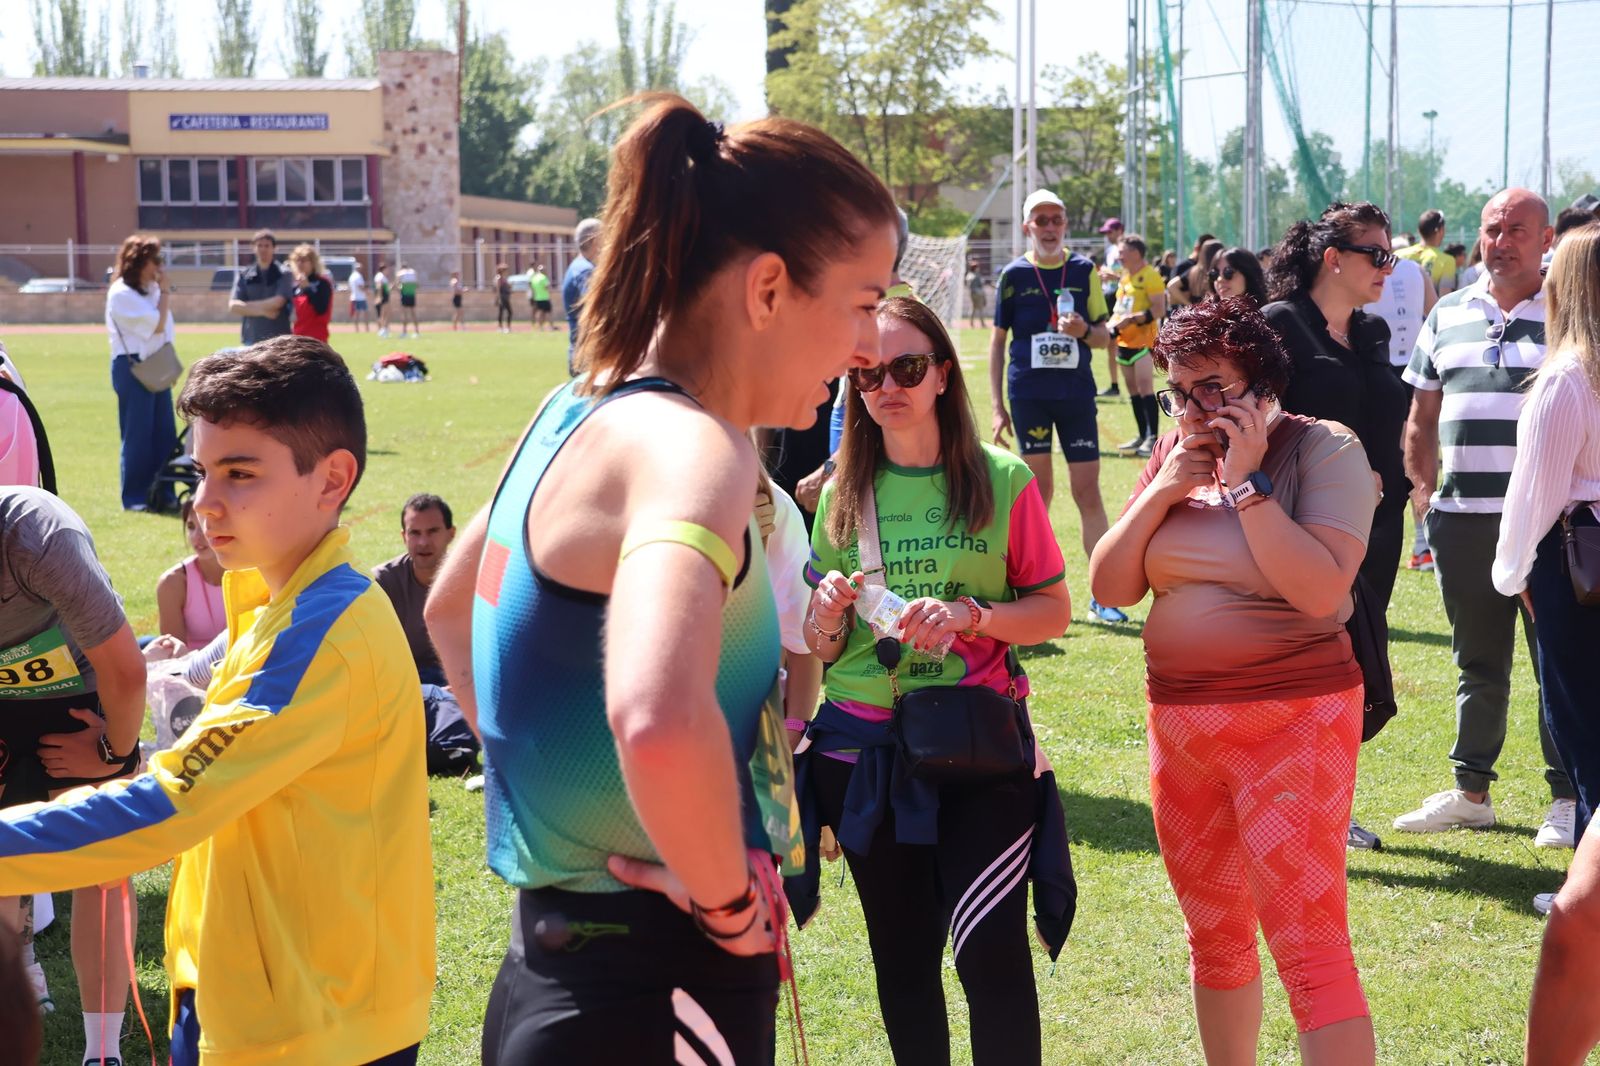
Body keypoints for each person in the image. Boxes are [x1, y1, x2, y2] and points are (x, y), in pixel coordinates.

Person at [421, 95, 897, 1062]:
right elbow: (654, 717)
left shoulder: (578, 403)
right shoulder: (697, 454)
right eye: (862, 301)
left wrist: (570, 817)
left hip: (556, 967)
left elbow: (448, 610)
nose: (867, 348)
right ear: (768, 289)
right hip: (654, 991)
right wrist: (724, 899)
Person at [0, 337, 435, 1065]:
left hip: (313, 1028)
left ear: (333, 480)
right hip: (245, 997)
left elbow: (172, 806)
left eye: (240, 473)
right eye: (201, 472)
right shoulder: (271, 600)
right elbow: (220, 771)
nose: (204, 503)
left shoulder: (319, 633)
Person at [1088, 298, 1379, 1066]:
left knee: (1308, 940)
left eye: (1212, 386)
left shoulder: (1323, 450)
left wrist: (1246, 487)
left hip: (1292, 722)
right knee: (1214, 933)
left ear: (1261, 380)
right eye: (1178, 392)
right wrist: (1159, 491)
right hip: (1182, 729)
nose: (1194, 408)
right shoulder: (1173, 453)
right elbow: (1111, 586)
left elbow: (1321, 593)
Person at [798, 295, 1073, 1065]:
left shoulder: (1003, 478)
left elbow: (1053, 608)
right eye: (869, 373)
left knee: (992, 959)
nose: (888, 385)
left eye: (908, 367)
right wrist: (824, 611)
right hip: (864, 759)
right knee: (904, 966)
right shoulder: (840, 490)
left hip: (978, 753)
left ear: (944, 375)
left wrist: (970, 616)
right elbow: (823, 650)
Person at [1395, 188, 1578, 848]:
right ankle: (1472, 792)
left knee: (1556, 661)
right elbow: (1421, 415)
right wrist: (1424, 496)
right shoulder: (1446, 314)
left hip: (1547, 528)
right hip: (1461, 520)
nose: (1501, 241)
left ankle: (1567, 798)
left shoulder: (1572, 316)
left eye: (1517, 230)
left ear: (1547, 236)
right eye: (1493, 229)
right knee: (1477, 661)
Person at [0, 487, 149, 1066]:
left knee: (101, 862)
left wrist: (115, 750)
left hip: (85, 693)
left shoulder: (40, 535)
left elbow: (126, 670)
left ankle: (102, 1052)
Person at [1493, 224, 1600, 908]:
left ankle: (1589, 893)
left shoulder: (1566, 380)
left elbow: (1533, 495)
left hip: (1577, 569)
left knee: (1582, 728)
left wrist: (1512, 575)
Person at [1265, 202, 1409, 615]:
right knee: (1315, 650)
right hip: (1307, 522)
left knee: (1367, 644)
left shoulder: (1373, 331)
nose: (1388, 268)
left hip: (1380, 524)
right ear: (1334, 259)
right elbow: (1259, 429)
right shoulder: (1279, 324)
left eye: (1391, 256)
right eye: (1377, 255)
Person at [990, 189, 1126, 623]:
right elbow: (998, 344)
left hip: (1075, 396)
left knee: (1087, 491)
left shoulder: (1084, 270)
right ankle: (1030, 595)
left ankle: (1103, 596)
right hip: (1028, 395)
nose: (1049, 227)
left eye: (1057, 220)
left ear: (1064, 225)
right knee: (1037, 495)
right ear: (1027, 226)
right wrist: (997, 405)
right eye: (1041, 220)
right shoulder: (1012, 275)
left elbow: (1107, 337)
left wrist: (1085, 329)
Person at [1364, 247, 1439, 573]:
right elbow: (1436, 315)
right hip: (1412, 370)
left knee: (1395, 457)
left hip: (1382, 369)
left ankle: (1420, 545)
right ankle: (1423, 545)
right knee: (1414, 453)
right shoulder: (1416, 271)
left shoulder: (1365, 273)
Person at [105, 232, 181, 513]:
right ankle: (135, 497)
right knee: (137, 434)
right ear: (139, 262)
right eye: (155, 260)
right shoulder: (121, 293)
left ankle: (165, 493)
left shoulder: (152, 291)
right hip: (132, 366)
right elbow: (157, 326)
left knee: (164, 433)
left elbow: (164, 333)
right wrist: (167, 291)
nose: (160, 267)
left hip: (156, 365)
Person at [373, 493, 455, 687]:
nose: (423, 542)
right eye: (414, 533)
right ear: (404, 536)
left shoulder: (471, 578)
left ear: (451, 534)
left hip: (457, 682)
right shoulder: (382, 583)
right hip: (405, 685)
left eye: (433, 531)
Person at [1107, 233, 1168, 456]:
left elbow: (1159, 310)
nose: (1119, 256)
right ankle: (1142, 435)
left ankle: (1153, 437)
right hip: (1123, 341)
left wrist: (1132, 319)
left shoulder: (1151, 276)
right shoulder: (1125, 278)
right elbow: (1120, 308)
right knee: (1133, 391)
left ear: (1135, 252)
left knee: (1145, 388)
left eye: (1122, 252)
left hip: (1144, 342)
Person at [155, 497, 226, 649]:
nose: (196, 537)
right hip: (192, 669)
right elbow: (174, 656)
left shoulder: (257, 572)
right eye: (191, 526)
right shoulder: (172, 582)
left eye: (204, 526)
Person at [227, 228, 293, 345]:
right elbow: (233, 306)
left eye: (267, 246)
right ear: (253, 248)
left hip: (279, 340)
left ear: (274, 248)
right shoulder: (244, 275)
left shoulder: (284, 274)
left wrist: (247, 306)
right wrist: (263, 312)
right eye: (259, 245)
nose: (263, 249)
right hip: (251, 339)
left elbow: (278, 302)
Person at [563, 217, 601, 373]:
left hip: (582, 351)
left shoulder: (579, 266)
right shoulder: (585, 271)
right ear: (594, 240)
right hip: (587, 355)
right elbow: (597, 309)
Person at [1098, 217, 1126, 397]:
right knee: (1111, 344)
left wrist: (1113, 277)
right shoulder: (1110, 250)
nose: (1107, 235)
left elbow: (1130, 276)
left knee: (1124, 345)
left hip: (1124, 300)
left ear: (1119, 231)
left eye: (1110, 231)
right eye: (1106, 232)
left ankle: (1134, 385)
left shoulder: (1127, 251)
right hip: (1109, 298)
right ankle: (1114, 385)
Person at [1396, 210, 1455, 295]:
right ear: (1440, 231)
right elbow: (1444, 298)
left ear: (1419, 231)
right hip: (1431, 308)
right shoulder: (1446, 261)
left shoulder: (1398, 255)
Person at [288, 243, 334, 343]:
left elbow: (321, 309)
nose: (300, 264)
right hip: (297, 340)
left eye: (304, 260)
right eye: (297, 260)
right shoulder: (295, 287)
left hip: (317, 340)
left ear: (313, 263)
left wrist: (307, 289)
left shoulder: (322, 283)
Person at [1169, 239, 1224, 310]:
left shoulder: (1192, 271)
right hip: (1213, 313)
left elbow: (1171, 286)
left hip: (1195, 314)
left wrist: (1188, 304)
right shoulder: (1217, 273)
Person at [396, 263, 420, 337]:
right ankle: (417, 332)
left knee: (404, 314)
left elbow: (398, 285)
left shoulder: (400, 273)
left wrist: (399, 289)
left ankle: (404, 332)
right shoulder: (413, 273)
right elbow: (417, 285)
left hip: (405, 295)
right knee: (413, 314)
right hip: (412, 295)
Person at [965, 254, 988, 329]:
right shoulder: (976, 276)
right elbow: (979, 285)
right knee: (980, 309)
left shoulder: (969, 275)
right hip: (978, 294)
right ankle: (982, 324)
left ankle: (971, 323)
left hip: (972, 294)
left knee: (974, 308)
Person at [529, 263, 554, 330]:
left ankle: (540, 326)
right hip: (545, 297)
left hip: (537, 297)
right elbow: (547, 287)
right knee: (548, 312)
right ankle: (550, 326)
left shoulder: (534, 278)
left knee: (539, 312)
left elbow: (531, 287)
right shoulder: (543, 277)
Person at [348, 261, 370, 331]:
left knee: (357, 314)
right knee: (363, 313)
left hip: (355, 297)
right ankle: (366, 328)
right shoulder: (357, 276)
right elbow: (360, 286)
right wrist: (366, 290)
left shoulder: (352, 276)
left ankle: (357, 328)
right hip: (360, 297)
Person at [494, 263, 514, 333]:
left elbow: (508, 286)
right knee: (503, 312)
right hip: (502, 297)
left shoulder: (504, 278)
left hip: (506, 297)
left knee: (507, 312)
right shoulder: (499, 278)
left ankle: (507, 327)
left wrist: (510, 286)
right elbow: (498, 289)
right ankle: (501, 327)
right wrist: (498, 298)